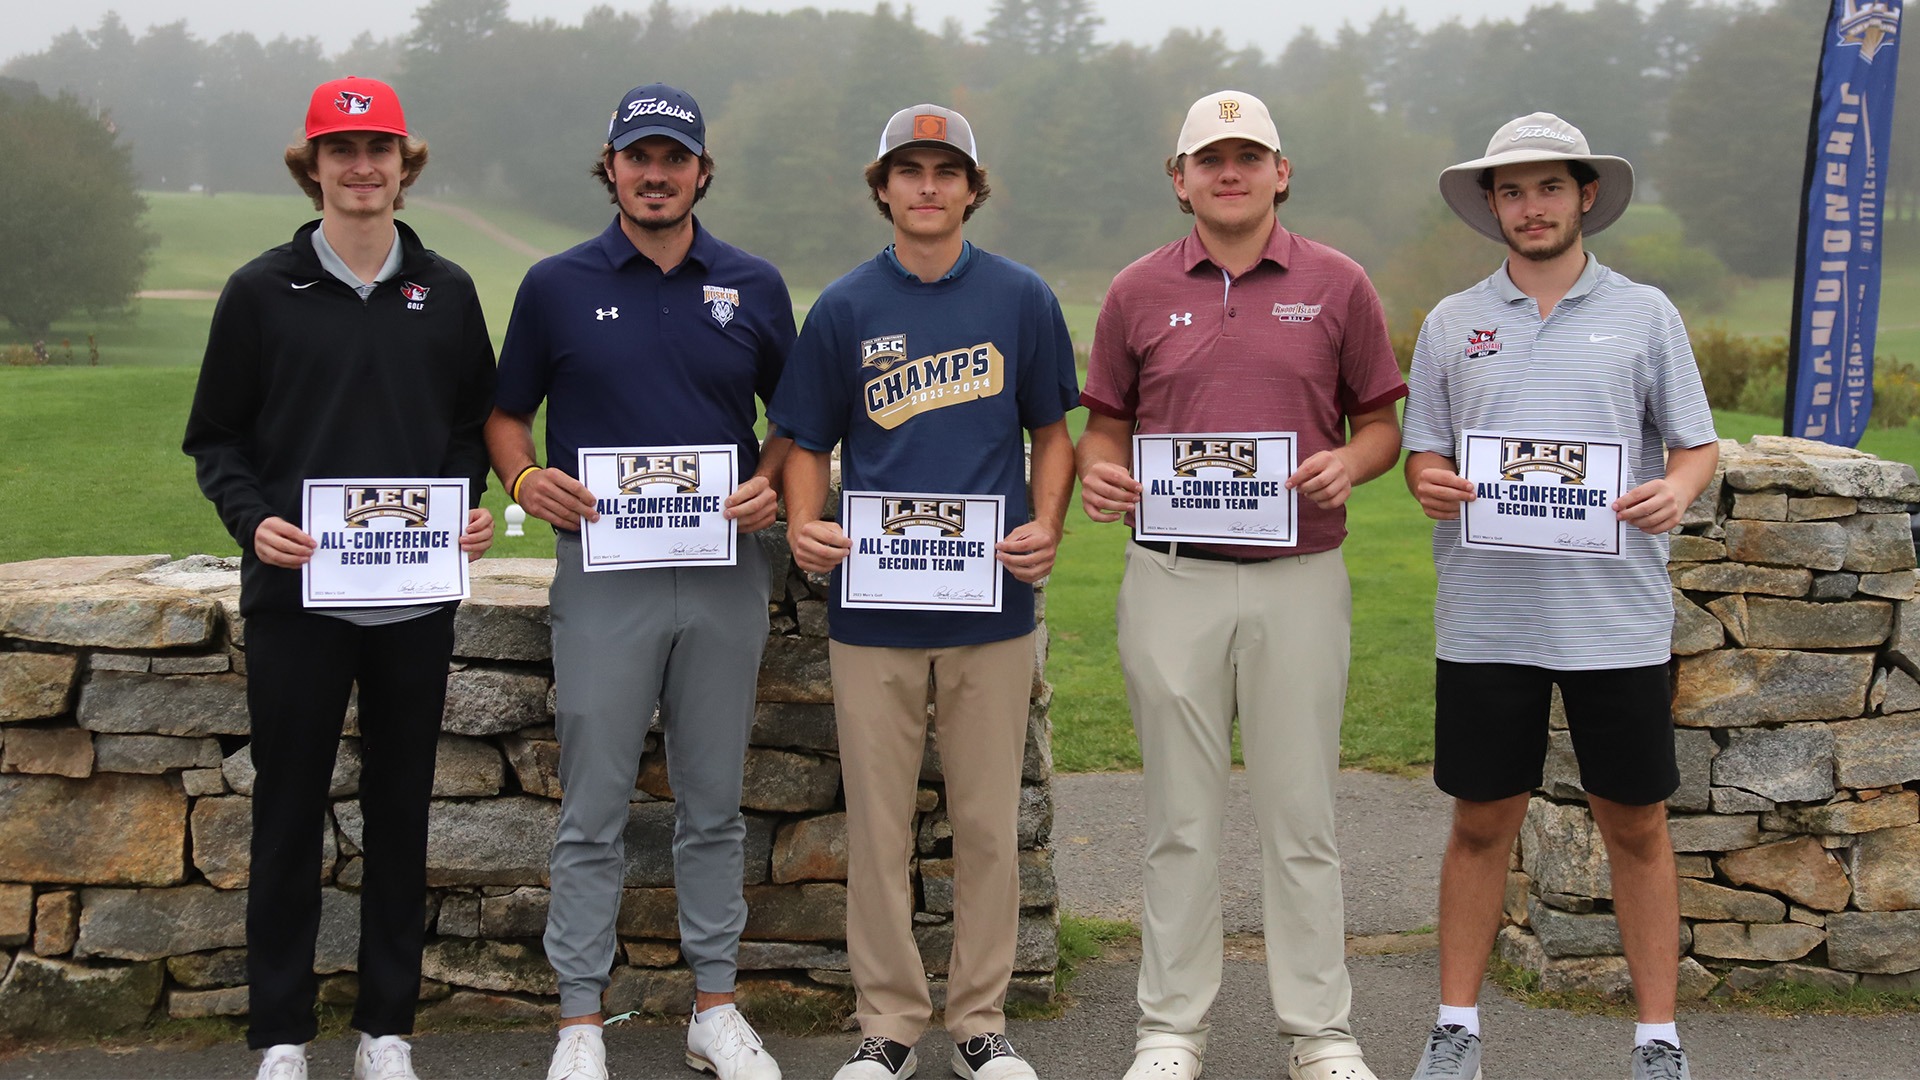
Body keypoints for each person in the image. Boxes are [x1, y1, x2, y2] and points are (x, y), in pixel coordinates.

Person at [1075, 90, 1407, 1080]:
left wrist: (1354, 463)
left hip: (1299, 576)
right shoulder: (1135, 291)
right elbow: (1105, 423)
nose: (1231, 171)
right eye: (1209, 158)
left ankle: (1320, 1032)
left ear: (1281, 171)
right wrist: (1101, 470)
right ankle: (1171, 1029)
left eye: (1249, 155)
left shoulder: (1338, 285)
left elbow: (1381, 420)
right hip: (1169, 577)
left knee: (1300, 815)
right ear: (1179, 180)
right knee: (1179, 818)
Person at [183, 76, 496, 1080]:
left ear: (405, 166)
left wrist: (461, 510)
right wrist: (254, 520)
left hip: (412, 603)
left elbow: (466, 429)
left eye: (380, 149)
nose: (362, 167)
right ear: (311, 166)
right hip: (297, 602)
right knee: (287, 815)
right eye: (341, 149)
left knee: (401, 813)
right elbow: (217, 440)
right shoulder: (260, 291)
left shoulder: (445, 292)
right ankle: (280, 1033)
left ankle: (386, 1031)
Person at [484, 83, 793, 1080]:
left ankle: (714, 1007)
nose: (655, 174)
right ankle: (580, 1018)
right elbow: (504, 414)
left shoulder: (751, 283)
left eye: (674, 158)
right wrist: (527, 477)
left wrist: (770, 480)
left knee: (712, 800)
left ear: (702, 171)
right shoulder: (555, 283)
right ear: (609, 166)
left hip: (722, 573)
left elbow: (794, 418)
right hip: (605, 574)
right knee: (595, 804)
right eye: (637, 156)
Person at [1400, 112, 1717, 1080]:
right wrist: (1428, 480)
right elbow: (1425, 453)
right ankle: (1456, 1027)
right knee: (1481, 821)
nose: (1529, 207)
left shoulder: (1646, 313)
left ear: (1585, 196)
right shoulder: (1454, 322)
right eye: (1510, 190)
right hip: (1489, 617)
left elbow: (1694, 443)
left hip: (1613, 618)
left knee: (1636, 824)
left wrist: (1678, 486)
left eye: (1547, 187)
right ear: (1490, 205)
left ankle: (1657, 1041)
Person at [770, 103, 1078, 1080]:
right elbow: (808, 443)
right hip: (874, 607)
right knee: (880, 823)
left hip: (990, 602)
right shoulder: (847, 307)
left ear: (973, 188)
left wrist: (1047, 526)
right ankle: (890, 1023)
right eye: (910, 170)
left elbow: (1057, 436)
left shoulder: (1022, 299)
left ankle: (981, 1020)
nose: (929, 186)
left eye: (948, 170)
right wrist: (808, 522)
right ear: (884, 187)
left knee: (988, 822)